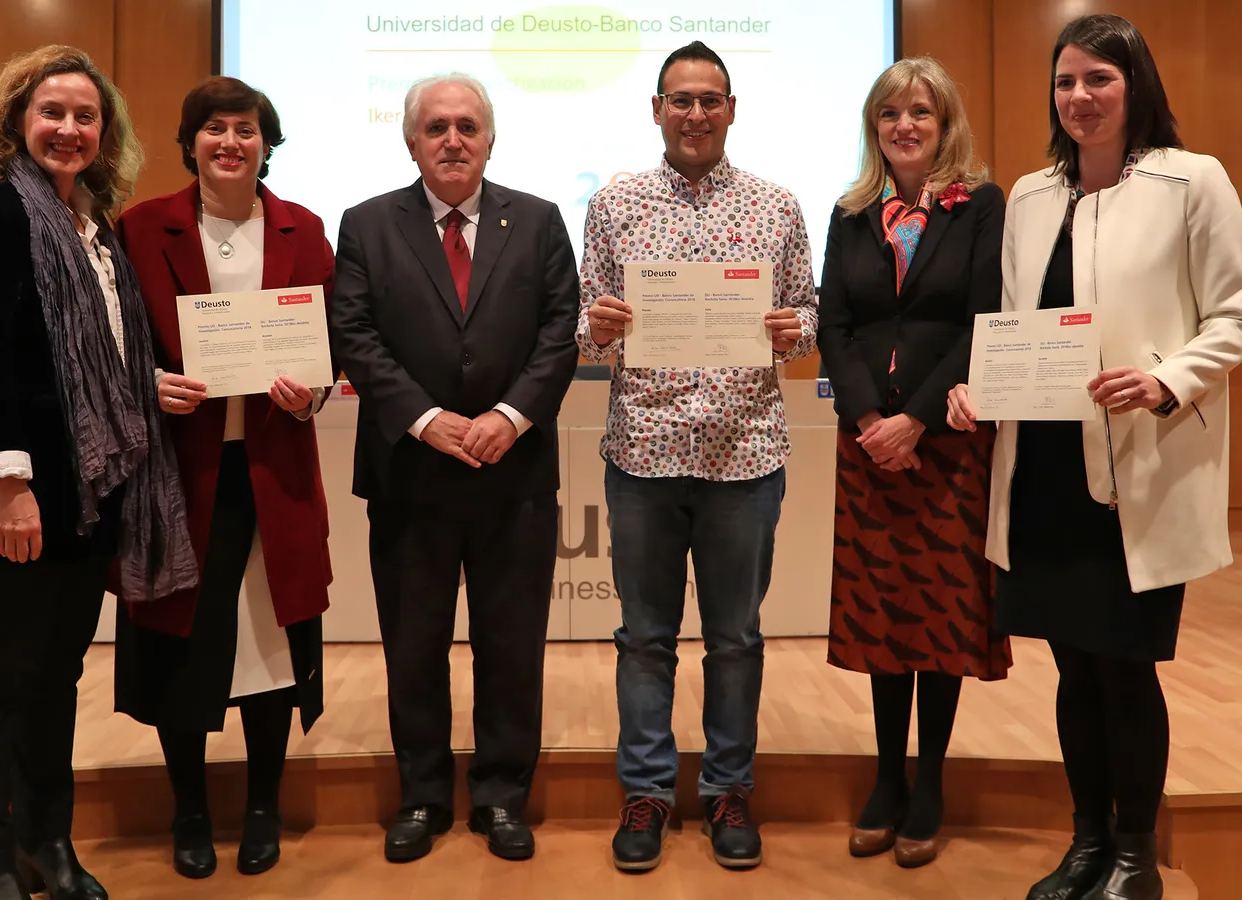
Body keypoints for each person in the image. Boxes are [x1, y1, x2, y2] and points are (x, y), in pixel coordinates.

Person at [946, 15, 1242, 900]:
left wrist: (1166, 380)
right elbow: (1014, 327)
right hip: (1042, 471)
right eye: (1066, 82)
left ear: (1135, 86)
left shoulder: (1192, 180)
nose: (1079, 97)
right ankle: (1086, 842)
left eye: (1099, 80)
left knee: (1124, 667)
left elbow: (1237, 315)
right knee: (1072, 664)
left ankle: (1134, 856)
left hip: (1136, 471)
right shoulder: (1030, 195)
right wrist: (977, 388)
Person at [0, 45, 196, 900]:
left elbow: (94, 359)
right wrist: (11, 487)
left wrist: (149, 385)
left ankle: (46, 845)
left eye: (85, 116)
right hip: (6, 495)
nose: (69, 129)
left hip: (85, 494)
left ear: (104, 133)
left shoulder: (96, 231)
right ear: (16, 120)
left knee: (55, 678)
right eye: (52, 112)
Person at [578, 41, 818, 872]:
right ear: (656, 110)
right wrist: (595, 328)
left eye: (710, 99)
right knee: (644, 638)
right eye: (680, 99)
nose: (695, 113)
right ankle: (646, 792)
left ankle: (726, 789)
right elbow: (585, 327)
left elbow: (806, 315)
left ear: (732, 110)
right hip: (642, 450)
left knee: (736, 639)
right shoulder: (614, 204)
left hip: (744, 455)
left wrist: (794, 332)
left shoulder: (776, 206)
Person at [328, 72, 580, 863]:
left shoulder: (538, 220)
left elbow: (561, 330)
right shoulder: (367, 224)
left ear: (490, 140)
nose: (452, 140)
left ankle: (502, 797)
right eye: (436, 127)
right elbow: (354, 333)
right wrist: (427, 420)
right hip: (411, 476)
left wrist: (509, 416)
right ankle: (423, 796)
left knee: (511, 649)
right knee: (414, 649)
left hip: (515, 474)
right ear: (412, 141)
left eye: (468, 126)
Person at [112, 76, 335, 881]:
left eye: (246, 130)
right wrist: (149, 385)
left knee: (271, 642)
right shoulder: (142, 227)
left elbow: (331, 343)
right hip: (182, 471)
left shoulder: (304, 228)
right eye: (214, 129)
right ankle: (191, 813)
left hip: (274, 468)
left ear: (266, 145)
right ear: (189, 142)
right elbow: (113, 344)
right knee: (184, 641)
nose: (230, 143)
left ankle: (264, 806)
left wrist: (312, 392)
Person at [816, 56, 1010, 869]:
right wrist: (870, 418)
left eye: (920, 112)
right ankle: (887, 777)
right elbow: (833, 324)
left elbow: (986, 318)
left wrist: (915, 421)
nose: (905, 125)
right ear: (875, 126)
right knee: (882, 613)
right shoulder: (851, 210)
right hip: (868, 444)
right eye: (890, 113)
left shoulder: (981, 205)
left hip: (948, 441)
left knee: (941, 616)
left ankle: (929, 782)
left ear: (945, 123)